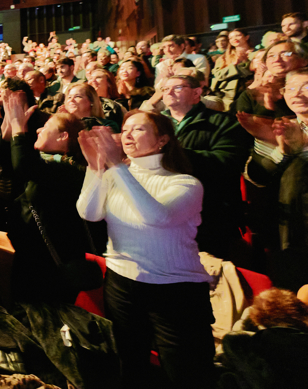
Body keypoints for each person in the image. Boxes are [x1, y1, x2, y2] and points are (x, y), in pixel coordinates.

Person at [77, 112, 213, 388]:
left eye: (138, 129)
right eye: (125, 129)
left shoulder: (185, 183)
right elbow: (89, 213)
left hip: (174, 289)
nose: (127, 135)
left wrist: (116, 165)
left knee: (184, 371)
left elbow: (156, 217)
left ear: (163, 140)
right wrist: (95, 167)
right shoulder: (118, 174)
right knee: (131, 362)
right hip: (121, 282)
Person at [0, 90, 93, 304]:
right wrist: (8, 128)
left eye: (46, 127)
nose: (39, 129)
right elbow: (8, 162)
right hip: (29, 256)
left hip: (50, 264)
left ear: (63, 136)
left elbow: (23, 166)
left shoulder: (71, 169)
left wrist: (20, 129)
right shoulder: (45, 161)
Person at [161, 75, 250, 259]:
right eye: (164, 89)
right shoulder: (153, 124)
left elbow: (228, 161)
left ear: (197, 93)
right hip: (164, 211)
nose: (168, 92)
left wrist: (175, 155)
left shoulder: (222, 122)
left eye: (177, 87)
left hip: (211, 215)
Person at [243, 69, 308, 291]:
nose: (297, 94)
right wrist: (280, 150)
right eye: (290, 88)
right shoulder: (279, 127)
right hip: (287, 229)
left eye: (307, 87)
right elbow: (257, 177)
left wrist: (304, 148)